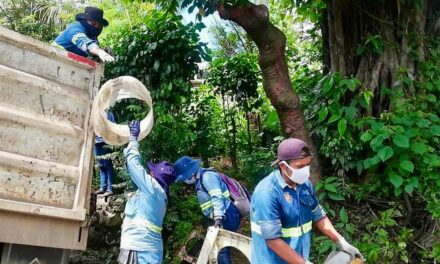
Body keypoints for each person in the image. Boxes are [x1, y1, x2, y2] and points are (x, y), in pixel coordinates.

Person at [250, 138, 364, 264]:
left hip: (299, 257)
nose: (305, 170)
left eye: (308, 164)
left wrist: (340, 241)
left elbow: (318, 216)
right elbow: (273, 240)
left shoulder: (304, 185)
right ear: (283, 166)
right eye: (300, 166)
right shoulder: (267, 193)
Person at [118, 121, 176, 264]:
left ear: (155, 176)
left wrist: (133, 138)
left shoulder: (152, 188)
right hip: (149, 250)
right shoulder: (159, 194)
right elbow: (131, 168)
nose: (149, 172)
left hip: (138, 248)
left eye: (152, 172)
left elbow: (133, 164)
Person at [174, 156, 241, 264]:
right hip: (218, 215)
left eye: (184, 178)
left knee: (221, 249)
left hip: (226, 215)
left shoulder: (207, 177)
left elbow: (217, 197)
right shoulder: (199, 180)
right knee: (216, 247)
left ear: (190, 173)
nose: (184, 181)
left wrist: (218, 218)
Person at [94, 110, 116, 196]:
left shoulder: (109, 112)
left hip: (105, 141)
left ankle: (110, 188)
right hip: (96, 141)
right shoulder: (95, 111)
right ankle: (102, 187)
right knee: (101, 165)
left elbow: (113, 125)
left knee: (107, 165)